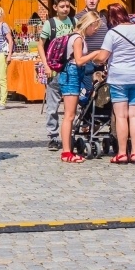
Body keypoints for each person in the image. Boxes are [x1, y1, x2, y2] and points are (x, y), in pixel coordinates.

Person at [92, 4, 135, 165]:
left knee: (121, 115)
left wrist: (93, 57)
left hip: (119, 77)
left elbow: (102, 57)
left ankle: (122, 153)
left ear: (111, 18)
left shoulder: (112, 33)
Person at [58, 12, 101, 164]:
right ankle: (66, 152)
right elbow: (78, 61)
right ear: (89, 24)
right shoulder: (77, 38)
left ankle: (67, 150)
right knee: (69, 115)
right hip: (72, 76)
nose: (95, 30)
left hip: (74, 75)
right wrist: (94, 54)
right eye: (95, 27)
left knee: (70, 115)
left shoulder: (78, 37)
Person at [37, 0, 76, 151]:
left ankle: (70, 134)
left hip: (71, 68)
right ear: (55, 8)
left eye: (67, 6)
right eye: (62, 7)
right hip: (54, 68)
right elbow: (40, 45)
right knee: (52, 106)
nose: (65, 9)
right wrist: (45, 65)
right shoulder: (50, 24)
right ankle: (53, 136)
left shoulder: (74, 22)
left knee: (72, 105)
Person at [74, 0, 109, 100]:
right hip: (87, 60)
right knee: (88, 93)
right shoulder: (78, 17)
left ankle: (100, 115)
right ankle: (87, 115)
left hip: (102, 60)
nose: (92, 1)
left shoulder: (104, 17)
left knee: (103, 92)